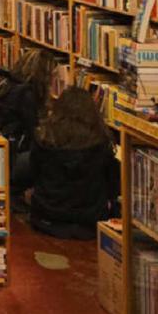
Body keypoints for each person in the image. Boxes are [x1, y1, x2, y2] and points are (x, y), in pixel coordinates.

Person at [26, 87, 120, 239]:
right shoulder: (101, 142)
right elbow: (112, 185)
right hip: (89, 221)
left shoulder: (44, 138)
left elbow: (33, 173)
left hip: (47, 217)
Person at [0, 48, 57, 194]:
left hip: (4, 152)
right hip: (14, 157)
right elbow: (33, 132)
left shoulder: (8, 84)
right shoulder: (26, 96)